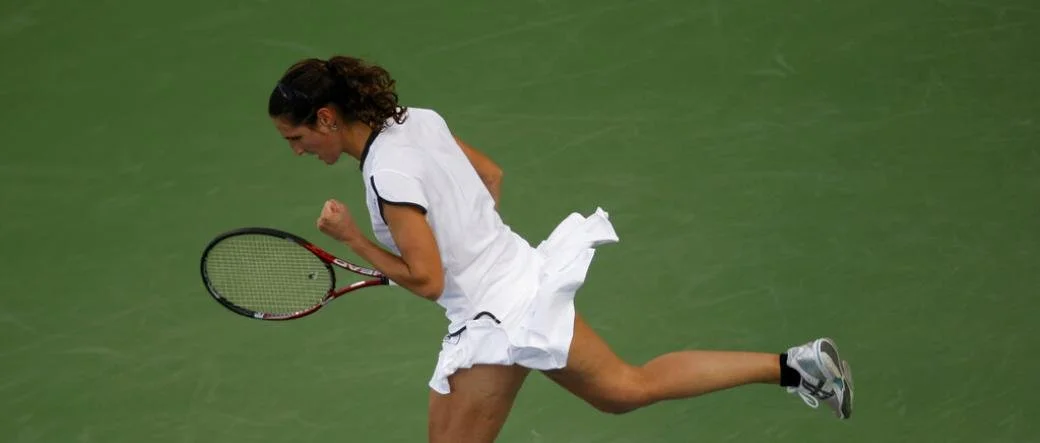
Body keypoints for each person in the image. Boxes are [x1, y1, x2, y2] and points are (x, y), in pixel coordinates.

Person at [267, 56, 854, 442]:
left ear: (325, 117)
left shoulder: (384, 177)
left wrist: (353, 239)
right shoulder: (416, 120)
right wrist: (470, 239)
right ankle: (794, 365)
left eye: (296, 137)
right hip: (520, 277)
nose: (296, 150)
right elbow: (491, 177)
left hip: (494, 321)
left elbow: (429, 281)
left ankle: (796, 368)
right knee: (626, 389)